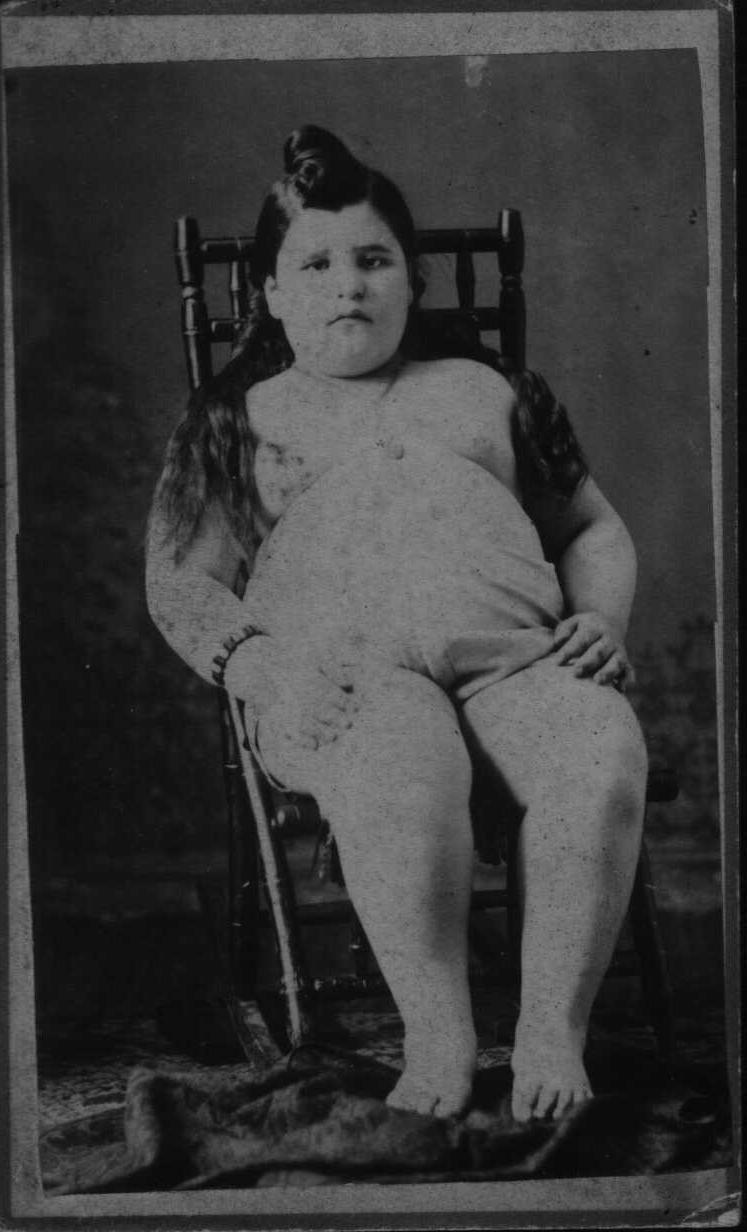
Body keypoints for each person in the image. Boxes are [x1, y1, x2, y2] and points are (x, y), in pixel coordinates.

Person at [147, 126, 647, 1123]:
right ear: (271, 291)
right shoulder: (239, 416)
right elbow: (181, 584)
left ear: (411, 281)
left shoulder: (487, 392)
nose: (349, 285)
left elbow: (589, 525)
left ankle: (551, 1027)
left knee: (597, 748)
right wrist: (261, 668)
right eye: (316, 266)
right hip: (341, 686)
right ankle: (439, 1031)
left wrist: (599, 612)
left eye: (373, 260)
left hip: (513, 666)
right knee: (402, 757)